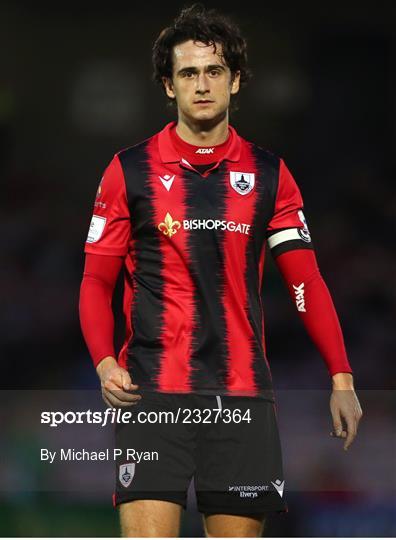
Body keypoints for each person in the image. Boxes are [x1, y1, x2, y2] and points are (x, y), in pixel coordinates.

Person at [79, 4, 363, 537]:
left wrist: (341, 375)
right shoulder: (128, 171)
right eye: (188, 73)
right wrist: (102, 362)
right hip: (151, 393)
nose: (202, 85)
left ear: (235, 80)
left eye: (214, 71)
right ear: (169, 85)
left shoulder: (269, 175)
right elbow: (96, 280)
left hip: (241, 396)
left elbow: (304, 281)